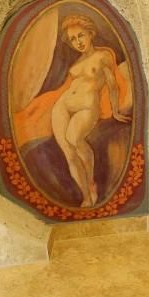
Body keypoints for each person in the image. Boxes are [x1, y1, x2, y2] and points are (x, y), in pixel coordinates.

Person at [50, 14, 130, 207]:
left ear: (90, 33)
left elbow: (112, 85)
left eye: (81, 35)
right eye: (73, 39)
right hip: (62, 106)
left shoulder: (103, 56)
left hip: (87, 107)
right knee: (69, 153)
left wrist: (115, 111)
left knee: (74, 139)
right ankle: (86, 196)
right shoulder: (75, 64)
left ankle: (91, 182)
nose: (78, 42)